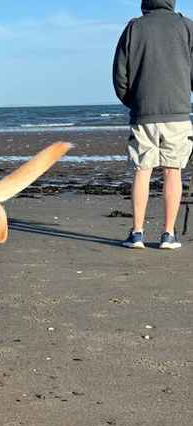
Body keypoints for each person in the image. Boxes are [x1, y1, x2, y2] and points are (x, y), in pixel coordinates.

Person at [113, 0, 193, 250]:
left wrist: (134, 102)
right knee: (173, 171)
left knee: (142, 170)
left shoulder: (134, 28)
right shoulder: (186, 26)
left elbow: (120, 75)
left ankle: (137, 232)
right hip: (177, 111)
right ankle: (168, 234)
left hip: (144, 111)